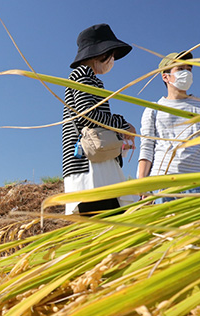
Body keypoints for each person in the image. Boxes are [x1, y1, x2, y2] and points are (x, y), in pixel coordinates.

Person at [62, 23, 137, 215]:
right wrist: (123, 124)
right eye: (111, 54)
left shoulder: (83, 77)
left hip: (89, 167)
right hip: (91, 169)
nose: (112, 60)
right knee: (109, 225)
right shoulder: (83, 74)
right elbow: (88, 114)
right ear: (99, 53)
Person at [137, 51, 200, 202]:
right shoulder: (153, 109)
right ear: (165, 76)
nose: (186, 73)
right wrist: (142, 183)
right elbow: (147, 147)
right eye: (180, 69)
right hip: (161, 184)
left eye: (189, 69)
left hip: (198, 185)